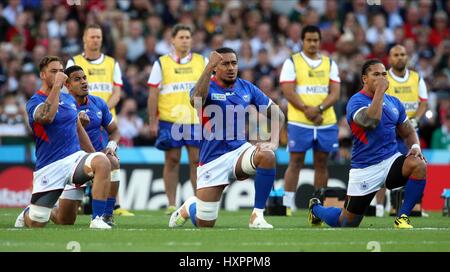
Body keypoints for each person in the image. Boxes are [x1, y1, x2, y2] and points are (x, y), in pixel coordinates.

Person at [168, 47, 285, 229]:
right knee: (205, 224)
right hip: (212, 159)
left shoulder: (246, 87)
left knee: (267, 156)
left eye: (234, 63)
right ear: (215, 67)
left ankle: (257, 215)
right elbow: (195, 100)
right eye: (225, 64)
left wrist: (274, 142)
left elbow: (278, 114)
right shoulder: (206, 87)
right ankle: (190, 205)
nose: (231, 68)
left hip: (239, 151)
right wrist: (208, 67)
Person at [308, 59, 427, 229]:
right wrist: (379, 91)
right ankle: (316, 208)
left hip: (390, 161)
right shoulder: (355, 102)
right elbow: (371, 121)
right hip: (365, 169)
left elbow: (408, 131)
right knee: (346, 223)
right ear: (365, 78)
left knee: (419, 164)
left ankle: (402, 217)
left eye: (384, 74)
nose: (381, 78)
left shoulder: (395, 102)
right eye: (376, 74)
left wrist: (415, 147)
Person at [14, 56, 112, 229]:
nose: (59, 74)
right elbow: (47, 117)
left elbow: (78, 129)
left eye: (60, 71)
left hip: (74, 159)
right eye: (54, 71)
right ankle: (28, 213)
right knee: (39, 222)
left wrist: (93, 154)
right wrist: (58, 86)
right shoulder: (34, 102)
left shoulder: (68, 100)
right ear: (43, 75)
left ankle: (97, 219)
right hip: (50, 166)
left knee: (102, 161)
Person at [67, 24, 133, 216]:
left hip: (101, 117)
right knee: (64, 218)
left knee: (111, 159)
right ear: (84, 39)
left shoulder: (112, 63)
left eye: (99, 37)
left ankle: (111, 209)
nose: (96, 40)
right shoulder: (75, 61)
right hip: (78, 121)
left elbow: (117, 92)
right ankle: (76, 199)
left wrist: (102, 107)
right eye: (92, 36)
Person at [279, 25, 340, 216]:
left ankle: (317, 205)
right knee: (295, 161)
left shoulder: (330, 63)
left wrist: (319, 109)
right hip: (300, 120)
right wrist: (307, 110)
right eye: (309, 40)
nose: (312, 43)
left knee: (322, 163)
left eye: (316, 40)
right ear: (302, 41)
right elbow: (288, 91)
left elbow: (336, 92)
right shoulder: (292, 62)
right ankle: (287, 205)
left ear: (320, 41)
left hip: (325, 120)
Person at [147, 24, 208, 215]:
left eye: (188, 37)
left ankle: (199, 203)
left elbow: (210, 88)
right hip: (169, 120)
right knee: (172, 160)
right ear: (172, 40)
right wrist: (152, 121)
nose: (185, 40)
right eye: (181, 37)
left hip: (195, 119)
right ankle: (172, 204)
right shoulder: (161, 63)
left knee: (196, 160)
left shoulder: (201, 61)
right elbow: (153, 93)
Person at [50, 65, 121, 226]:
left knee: (113, 161)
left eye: (84, 78)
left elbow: (115, 131)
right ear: (67, 85)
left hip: (97, 160)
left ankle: (105, 216)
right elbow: (55, 137)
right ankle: (40, 210)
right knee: (65, 220)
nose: (83, 82)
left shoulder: (98, 103)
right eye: (77, 79)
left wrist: (111, 146)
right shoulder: (60, 106)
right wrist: (76, 125)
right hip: (72, 163)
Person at [374, 45, 429, 217]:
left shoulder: (416, 78)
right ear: (389, 58)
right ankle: (379, 206)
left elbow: (423, 102)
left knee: (416, 166)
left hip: (409, 130)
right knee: (383, 169)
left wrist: (416, 120)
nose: (399, 57)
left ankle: (414, 206)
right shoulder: (385, 78)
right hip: (390, 131)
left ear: (407, 57)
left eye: (403, 54)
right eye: (396, 55)